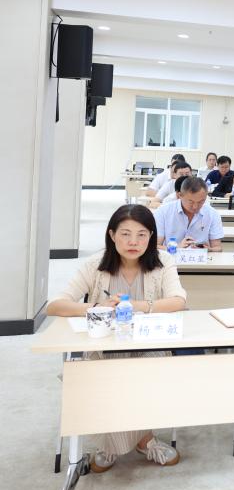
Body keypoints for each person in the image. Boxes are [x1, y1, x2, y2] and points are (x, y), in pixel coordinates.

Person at [47, 205, 186, 472]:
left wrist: (138, 306)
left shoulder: (163, 261)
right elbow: (55, 305)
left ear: (151, 236)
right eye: (125, 234)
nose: (133, 242)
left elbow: (178, 300)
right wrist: (96, 308)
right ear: (112, 235)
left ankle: (124, 443)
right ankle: (140, 441)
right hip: (103, 348)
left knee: (145, 375)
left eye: (142, 235)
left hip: (148, 346)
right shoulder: (95, 265)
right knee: (100, 378)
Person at [154, 176, 224, 251]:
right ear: (180, 196)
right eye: (191, 202)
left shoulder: (212, 214)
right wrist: (177, 248)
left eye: (201, 202)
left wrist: (209, 249)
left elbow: (218, 247)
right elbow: (155, 246)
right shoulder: (163, 212)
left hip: (200, 257)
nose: (195, 206)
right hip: (171, 256)